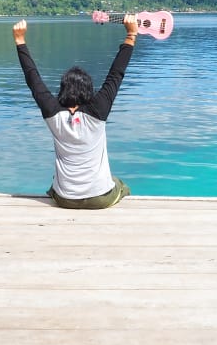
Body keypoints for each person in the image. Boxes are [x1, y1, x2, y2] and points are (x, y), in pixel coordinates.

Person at [13, 15, 138, 209]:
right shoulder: (97, 110)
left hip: (65, 199)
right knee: (119, 184)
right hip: (100, 198)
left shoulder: (52, 113)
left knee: (54, 184)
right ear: (89, 90)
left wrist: (20, 40)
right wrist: (131, 35)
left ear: (62, 90)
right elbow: (116, 74)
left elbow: (33, 79)